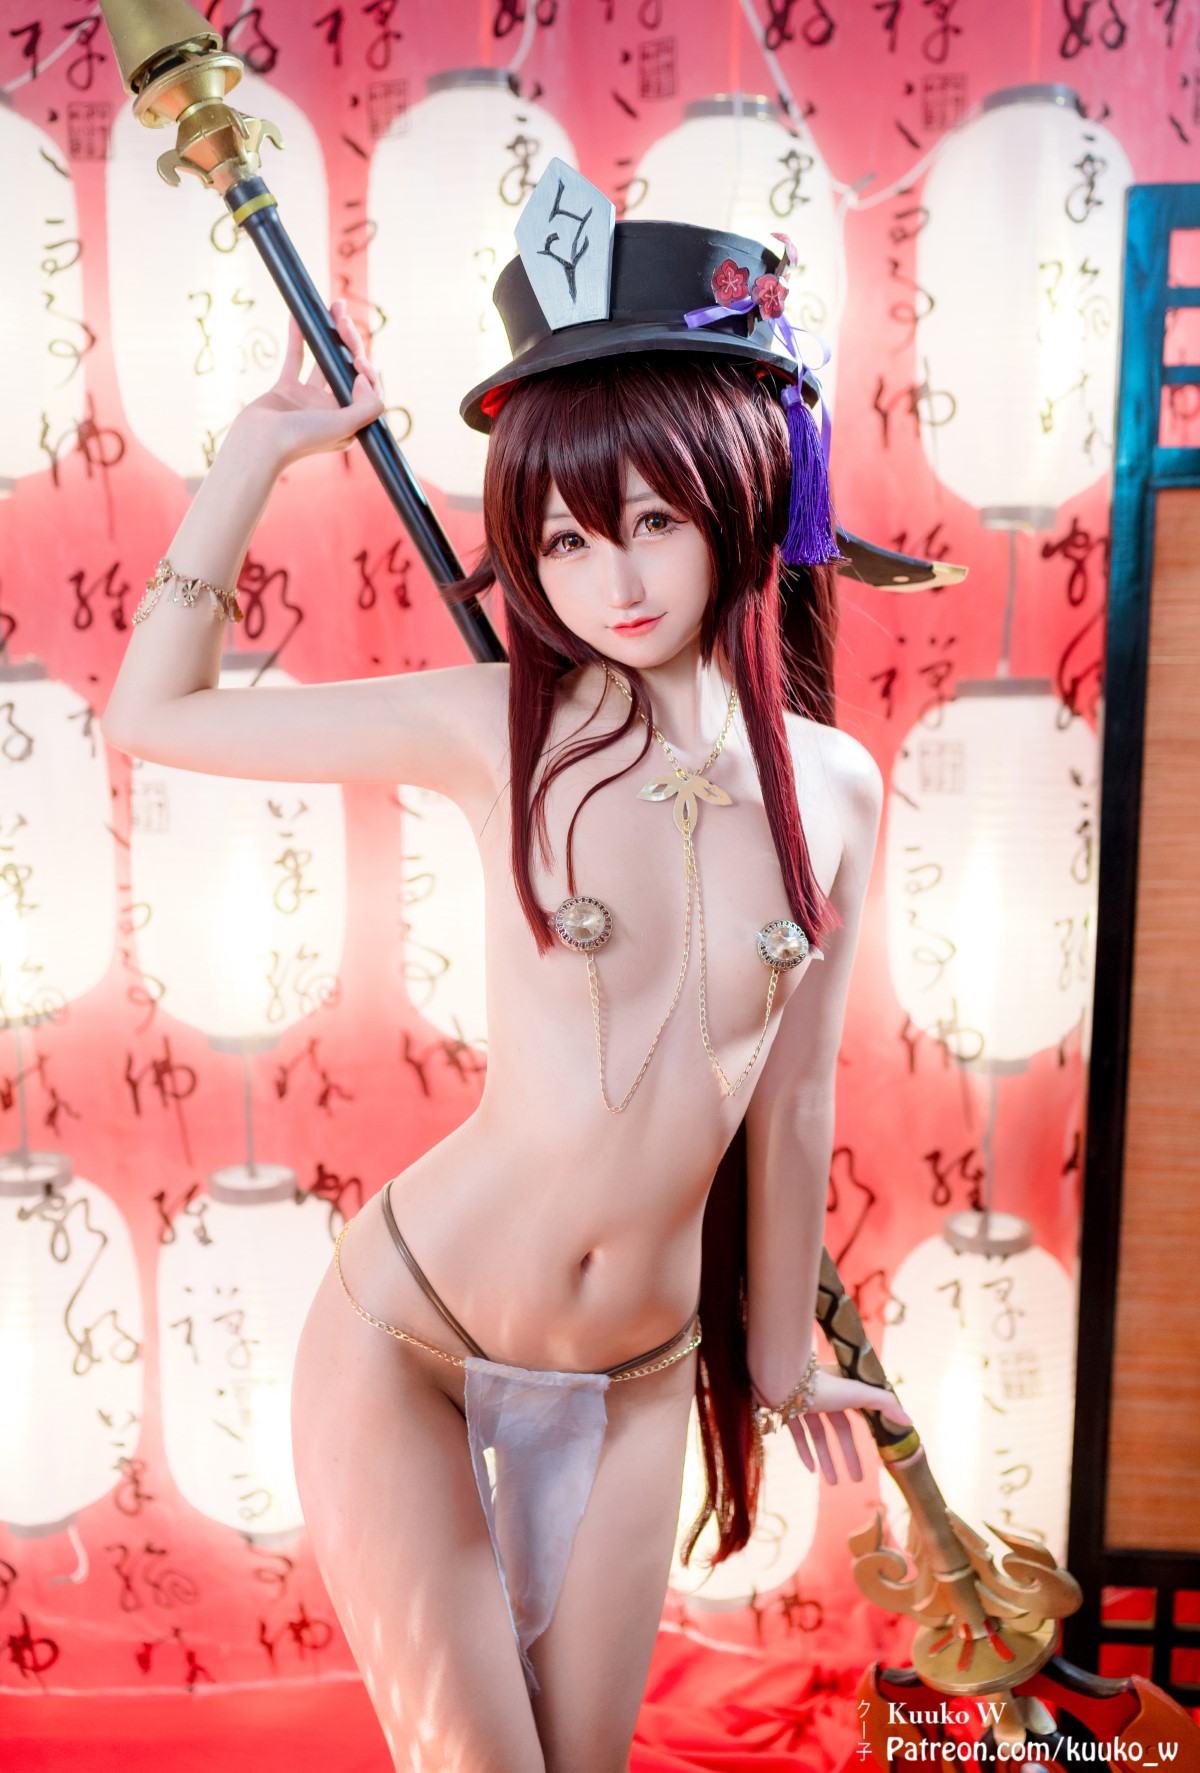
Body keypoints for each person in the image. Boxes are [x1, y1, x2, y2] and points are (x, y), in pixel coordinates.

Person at [100, 165, 916, 1772]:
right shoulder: (501, 729)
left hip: (640, 1380)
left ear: (749, 493)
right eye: (564, 537)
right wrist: (257, 453)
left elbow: (793, 1098)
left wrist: (778, 1358)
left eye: (655, 521)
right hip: (409, 1338)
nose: (615, 581)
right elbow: (153, 711)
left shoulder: (836, 788)